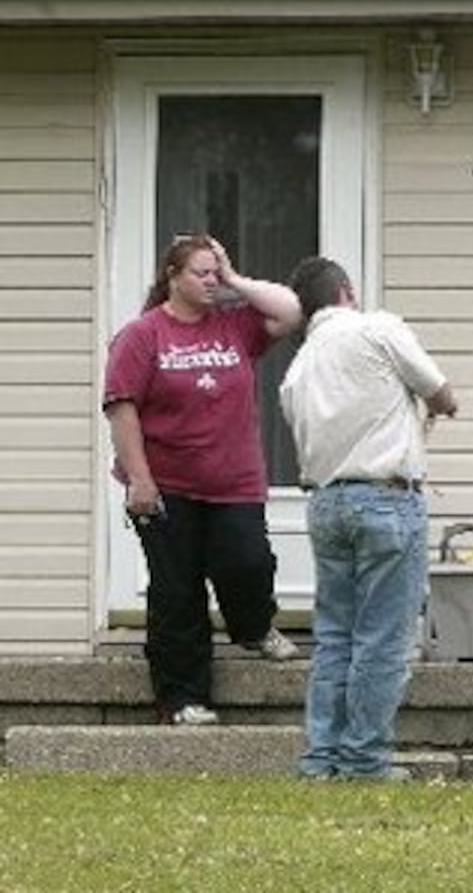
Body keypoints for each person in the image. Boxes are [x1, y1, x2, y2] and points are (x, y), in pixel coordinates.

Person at [103, 234, 303, 728]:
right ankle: (183, 699)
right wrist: (140, 480)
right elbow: (122, 407)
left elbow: (290, 310)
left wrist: (236, 279)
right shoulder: (143, 335)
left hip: (234, 481)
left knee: (248, 562)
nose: (212, 281)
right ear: (173, 276)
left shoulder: (234, 326)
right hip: (168, 486)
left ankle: (254, 627)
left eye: (216, 272)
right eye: (202, 272)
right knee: (177, 593)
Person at [279, 256, 457, 781]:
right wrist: (443, 406)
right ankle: (364, 760)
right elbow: (440, 393)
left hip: (326, 503)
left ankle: (321, 759)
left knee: (335, 637)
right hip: (385, 499)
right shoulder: (377, 329)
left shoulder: (297, 369)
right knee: (382, 638)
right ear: (346, 292)